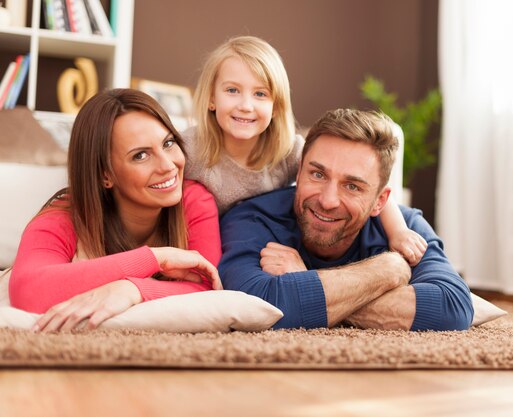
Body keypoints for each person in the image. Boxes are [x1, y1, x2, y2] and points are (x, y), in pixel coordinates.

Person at [218, 109, 473, 331]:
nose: (328, 200)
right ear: (299, 169)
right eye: (317, 174)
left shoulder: (405, 229)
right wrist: (387, 271)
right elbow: (251, 303)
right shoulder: (252, 218)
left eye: (352, 186)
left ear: (379, 202)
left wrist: (306, 279)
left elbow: (453, 308)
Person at [184, 35, 427, 266]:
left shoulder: (288, 151)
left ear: (276, 106)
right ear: (211, 99)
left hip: (254, 248)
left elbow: (374, 191)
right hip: (199, 246)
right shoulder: (190, 149)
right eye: (232, 90)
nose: (246, 105)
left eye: (260, 94)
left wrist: (399, 232)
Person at [9, 89, 223, 332]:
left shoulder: (194, 200)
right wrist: (156, 258)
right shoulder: (63, 216)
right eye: (140, 155)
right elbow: (27, 292)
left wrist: (130, 289)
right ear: (105, 175)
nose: (168, 165)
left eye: (168, 143)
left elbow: (209, 286)